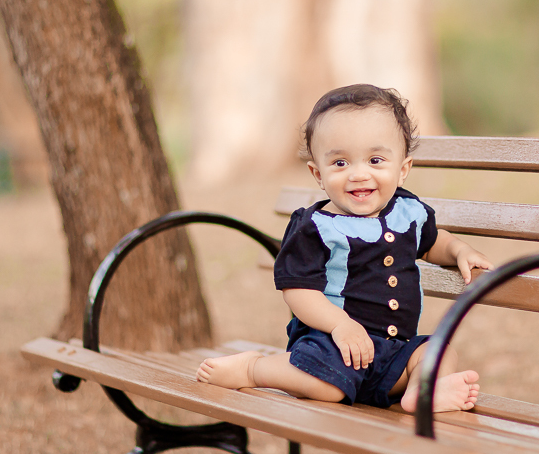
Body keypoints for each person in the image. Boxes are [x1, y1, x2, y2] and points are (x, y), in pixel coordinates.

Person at [196, 84, 492, 412]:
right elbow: (297, 290)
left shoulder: (409, 212)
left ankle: (422, 392)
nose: (358, 174)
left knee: (439, 350)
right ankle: (253, 368)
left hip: (394, 354)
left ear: (403, 169)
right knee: (328, 387)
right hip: (332, 348)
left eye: (375, 160)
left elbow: (435, 242)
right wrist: (340, 325)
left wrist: (458, 251)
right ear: (317, 173)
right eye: (340, 163)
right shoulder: (316, 227)